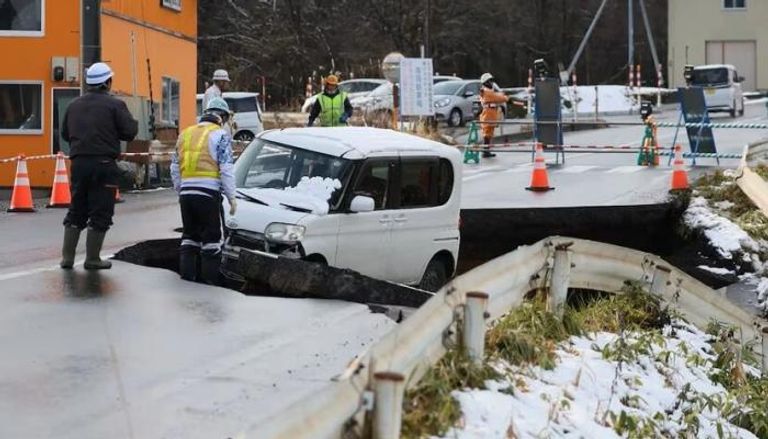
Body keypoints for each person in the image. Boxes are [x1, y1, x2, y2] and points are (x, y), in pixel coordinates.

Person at [59, 62, 138, 270]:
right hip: (104, 164)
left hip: (78, 163)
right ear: (107, 83)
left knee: (77, 209)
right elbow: (129, 132)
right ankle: (92, 258)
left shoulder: (73, 105)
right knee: (101, 211)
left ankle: (67, 259)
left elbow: (65, 134)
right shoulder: (115, 105)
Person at [171, 97, 236, 285]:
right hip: (208, 193)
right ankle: (209, 282)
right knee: (212, 240)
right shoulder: (220, 135)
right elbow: (226, 168)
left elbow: (175, 168)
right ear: (221, 117)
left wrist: (180, 190)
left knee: (190, 237)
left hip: (186, 193)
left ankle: (187, 278)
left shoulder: (185, 134)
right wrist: (231, 197)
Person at [478, 72, 508, 158]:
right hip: (488, 114)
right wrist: (507, 98)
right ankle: (485, 151)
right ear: (485, 82)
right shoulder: (486, 92)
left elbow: (496, 98)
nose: (491, 83)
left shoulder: (487, 91)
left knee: (489, 133)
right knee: (487, 134)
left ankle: (487, 151)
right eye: (490, 81)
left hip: (490, 114)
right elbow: (497, 97)